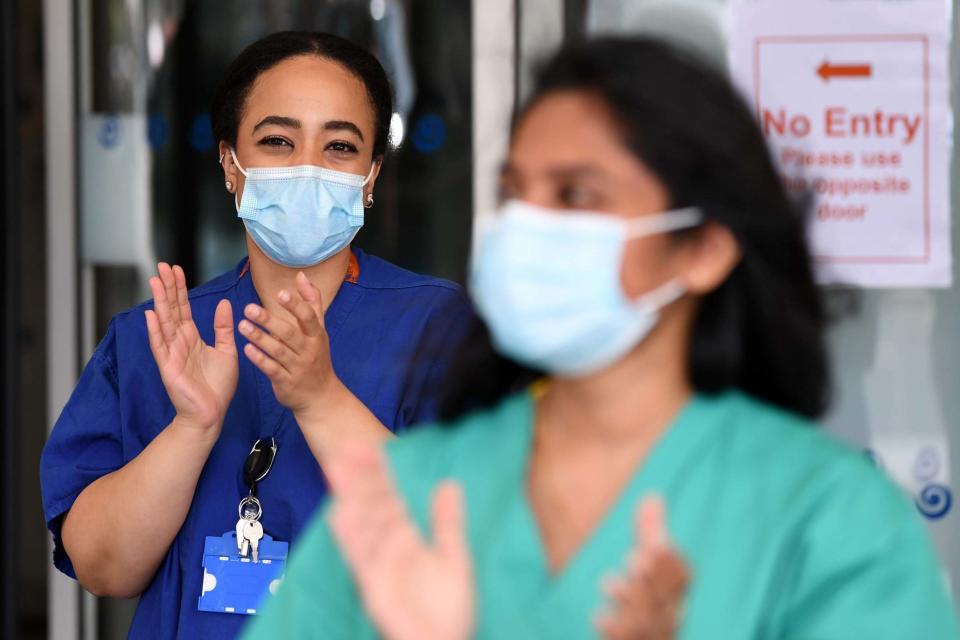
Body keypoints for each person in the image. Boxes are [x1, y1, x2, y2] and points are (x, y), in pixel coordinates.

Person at [246, 37, 960, 639]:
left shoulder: (824, 517)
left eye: (576, 195)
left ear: (704, 247)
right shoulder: (417, 490)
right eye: (514, 193)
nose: (527, 228)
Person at [40, 31, 473, 639]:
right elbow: (102, 567)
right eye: (277, 141)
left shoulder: (439, 331)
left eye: (340, 147)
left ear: (371, 176)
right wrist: (191, 430)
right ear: (229, 164)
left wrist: (322, 400)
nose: (307, 168)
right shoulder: (158, 339)